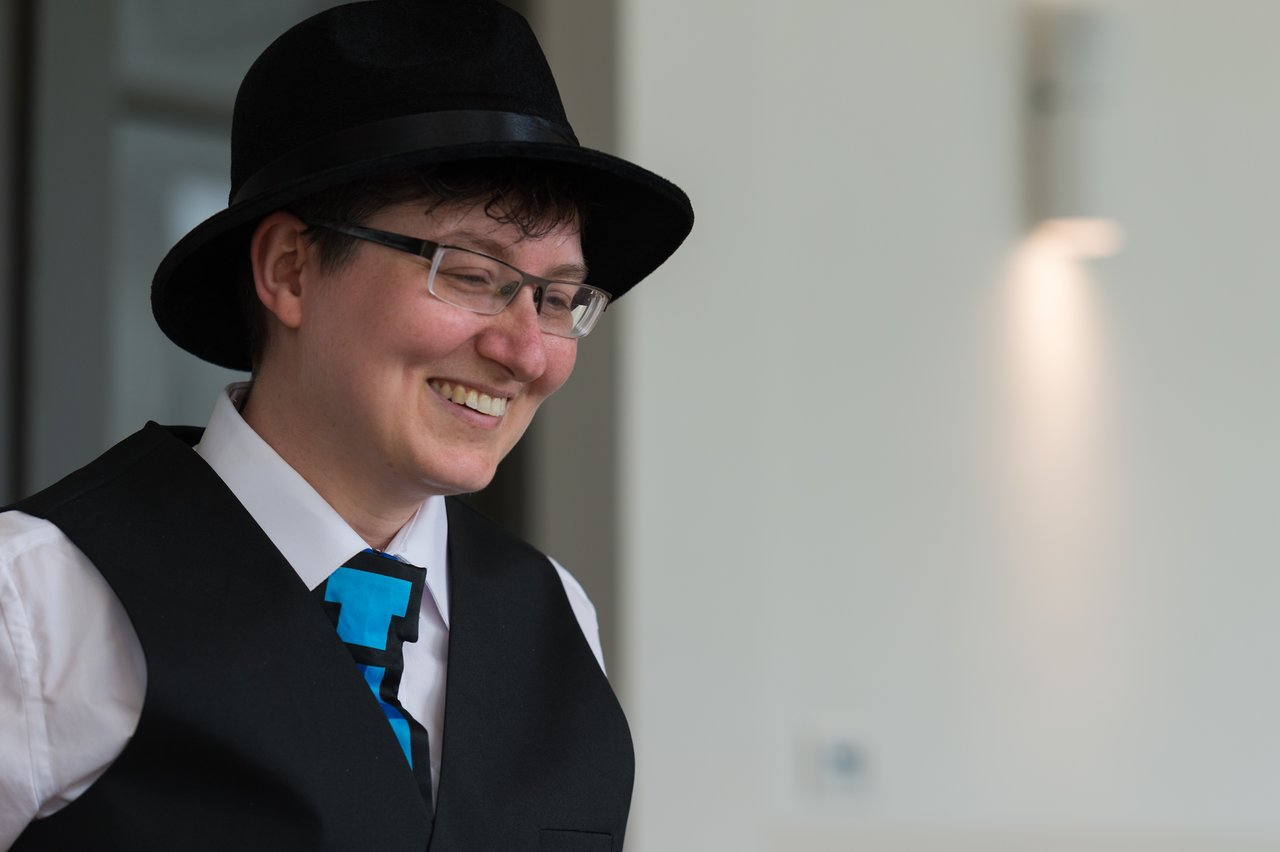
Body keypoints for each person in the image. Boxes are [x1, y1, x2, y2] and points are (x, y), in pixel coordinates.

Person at [0, 1, 692, 849]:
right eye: (472, 275)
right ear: (290, 269)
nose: (525, 351)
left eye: (558, 300)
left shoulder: (555, 616)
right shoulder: (36, 602)